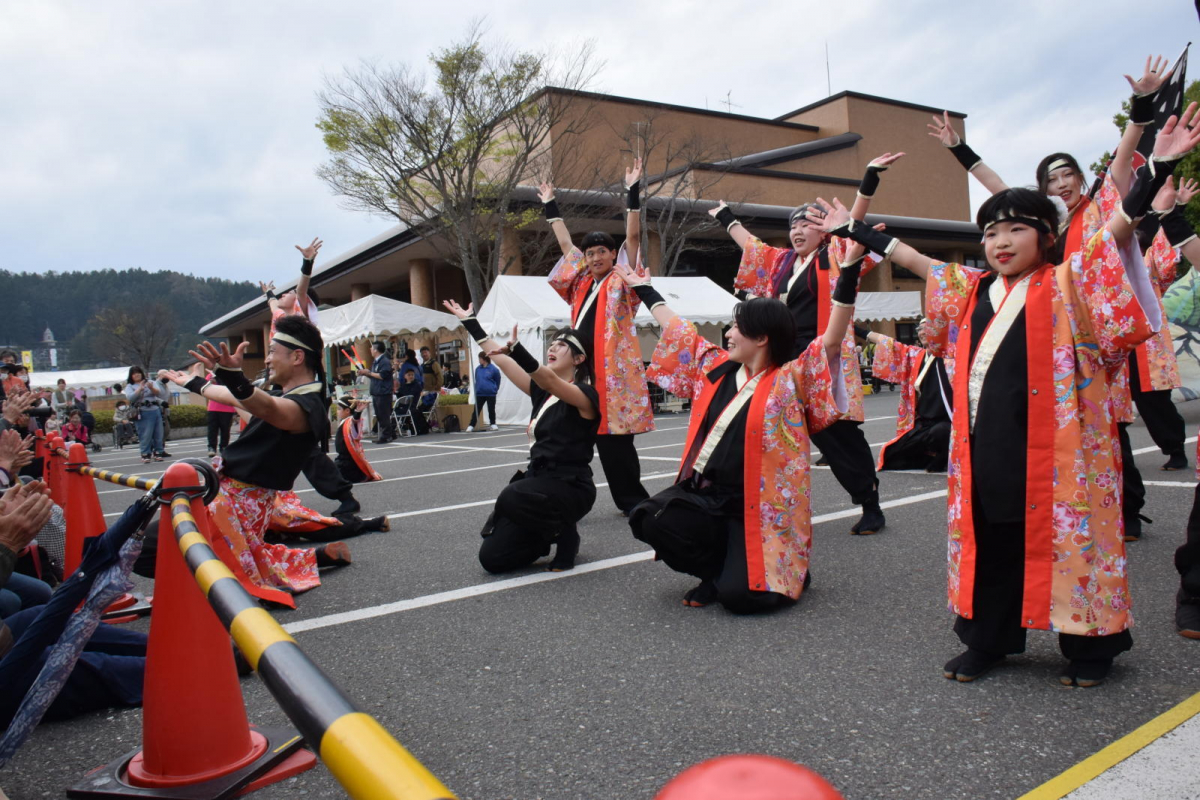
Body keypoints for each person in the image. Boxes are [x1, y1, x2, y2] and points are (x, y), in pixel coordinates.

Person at [812, 103, 1199, 687]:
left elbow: (1117, 227)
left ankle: (1088, 649)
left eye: (1016, 227)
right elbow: (916, 259)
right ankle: (989, 640)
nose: (1000, 239)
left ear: (1047, 237)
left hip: (1062, 449)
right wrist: (856, 231)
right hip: (985, 445)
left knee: (1072, 543)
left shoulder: (1070, 279)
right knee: (991, 538)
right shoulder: (971, 290)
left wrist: (1155, 170)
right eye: (991, 230)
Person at [619, 254, 857, 613]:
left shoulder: (790, 379)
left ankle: (785, 569)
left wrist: (849, 271)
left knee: (743, 599)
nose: (727, 334)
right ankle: (713, 571)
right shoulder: (715, 367)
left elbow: (833, 341)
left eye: (735, 328)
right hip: (709, 495)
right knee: (649, 517)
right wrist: (644, 289)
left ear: (761, 337)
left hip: (760, 509)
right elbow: (678, 330)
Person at [716, 153, 904, 535]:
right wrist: (726, 217)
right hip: (780, 357)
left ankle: (869, 503)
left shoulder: (834, 255)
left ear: (825, 231)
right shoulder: (783, 262)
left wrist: (868, 181)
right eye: (793, 225)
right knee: (756, 424)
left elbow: (854, 224)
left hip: (821, 354)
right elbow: (751, 247)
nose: (798, 230)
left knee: (835, 434)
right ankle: (754, 506)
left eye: (808, 223)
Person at [159, 314, 352, 610]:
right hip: (227, 498)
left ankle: (325, 549)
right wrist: (196, 382)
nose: (268, 359)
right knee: (184, 548)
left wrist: (233, 376)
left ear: (297, 356)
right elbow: (242, 400)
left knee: (166, 547)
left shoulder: (308, 405)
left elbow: (266, 406)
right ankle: (318, 556)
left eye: (273, 352)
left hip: (240, 503)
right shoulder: (288, 395)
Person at [444, 299, 601, 573]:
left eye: (563, 345)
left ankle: (567, 535)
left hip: (570, 487)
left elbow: (550, 380)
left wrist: (519, 350)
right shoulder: (542, 392)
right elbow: (502, 360)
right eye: (552, 343)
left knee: (510, 496)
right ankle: (545, 536)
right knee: (492, 559)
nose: (553, 347)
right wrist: (471, 323)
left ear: (579, 359)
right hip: (537, 485)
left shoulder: (585, 395)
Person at [542, 158, 653, 515]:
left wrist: (632, 192)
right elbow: (564, 247)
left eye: (601, 251)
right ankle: (564, 496)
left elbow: (633, 237)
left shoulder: (623, 280)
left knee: (614, 441)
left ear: (612, 254)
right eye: (589, 253)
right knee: (569, 436)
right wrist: (550, 206)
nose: (593, 258)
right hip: (580, 371)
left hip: (613, 375)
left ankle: (632, 502)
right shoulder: (579, 285)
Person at [859, 323, 952, 473]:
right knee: (894, 455)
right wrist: (857, 330)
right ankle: (933, 455)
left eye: (926, 328)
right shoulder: (917, 355)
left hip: (947, 421)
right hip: (924, 423)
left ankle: (943, 457)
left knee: (941, 432)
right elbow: (889, 343)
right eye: (919, 329)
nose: (921, 332)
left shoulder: (951, 357)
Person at [333, 396, 382, 483]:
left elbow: (355, 420)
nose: (337, 411)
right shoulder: (345, 421)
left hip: (347, 461)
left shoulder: (350, 421)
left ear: (347, 411)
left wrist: (358, 412)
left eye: (339, 409)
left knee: (331, 476)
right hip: (341, 458)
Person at [123, 367, 167, 463]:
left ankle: (158, 452)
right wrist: (140, 389)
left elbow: (159, 393)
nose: (137, 375)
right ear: (131, 376)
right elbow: (131, 398)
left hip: (155, 410)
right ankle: (145, 454)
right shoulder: (130, 386)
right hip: (142, 412)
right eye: (134, 373)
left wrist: (151, 387)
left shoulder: (150, 382)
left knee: (158, 433)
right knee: (145, 434)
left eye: (138, 372)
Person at [359, 341, 395, 444]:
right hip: (377, 391)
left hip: (383, 392)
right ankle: (391, 433)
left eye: (371, 348)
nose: (370, 350)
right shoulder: (376, 361)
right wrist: (365, 373)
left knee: (383, 415)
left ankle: (386, 436)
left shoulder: (384, 361)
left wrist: (369, 372)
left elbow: (383, 375)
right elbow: (374, 375)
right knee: (380, 415)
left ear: (376, 350)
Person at [469, 353, 501, 432]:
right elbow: (477, 379)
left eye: (480, 358)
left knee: (491, 409)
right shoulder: (478, 369)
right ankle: (471, 425)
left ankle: (493, 423)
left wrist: (495, 389)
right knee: (476, 410)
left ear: (484, 359)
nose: (479, 360)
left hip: (490, 393)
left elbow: (498, 380)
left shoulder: (494, 369)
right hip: (480, 393)